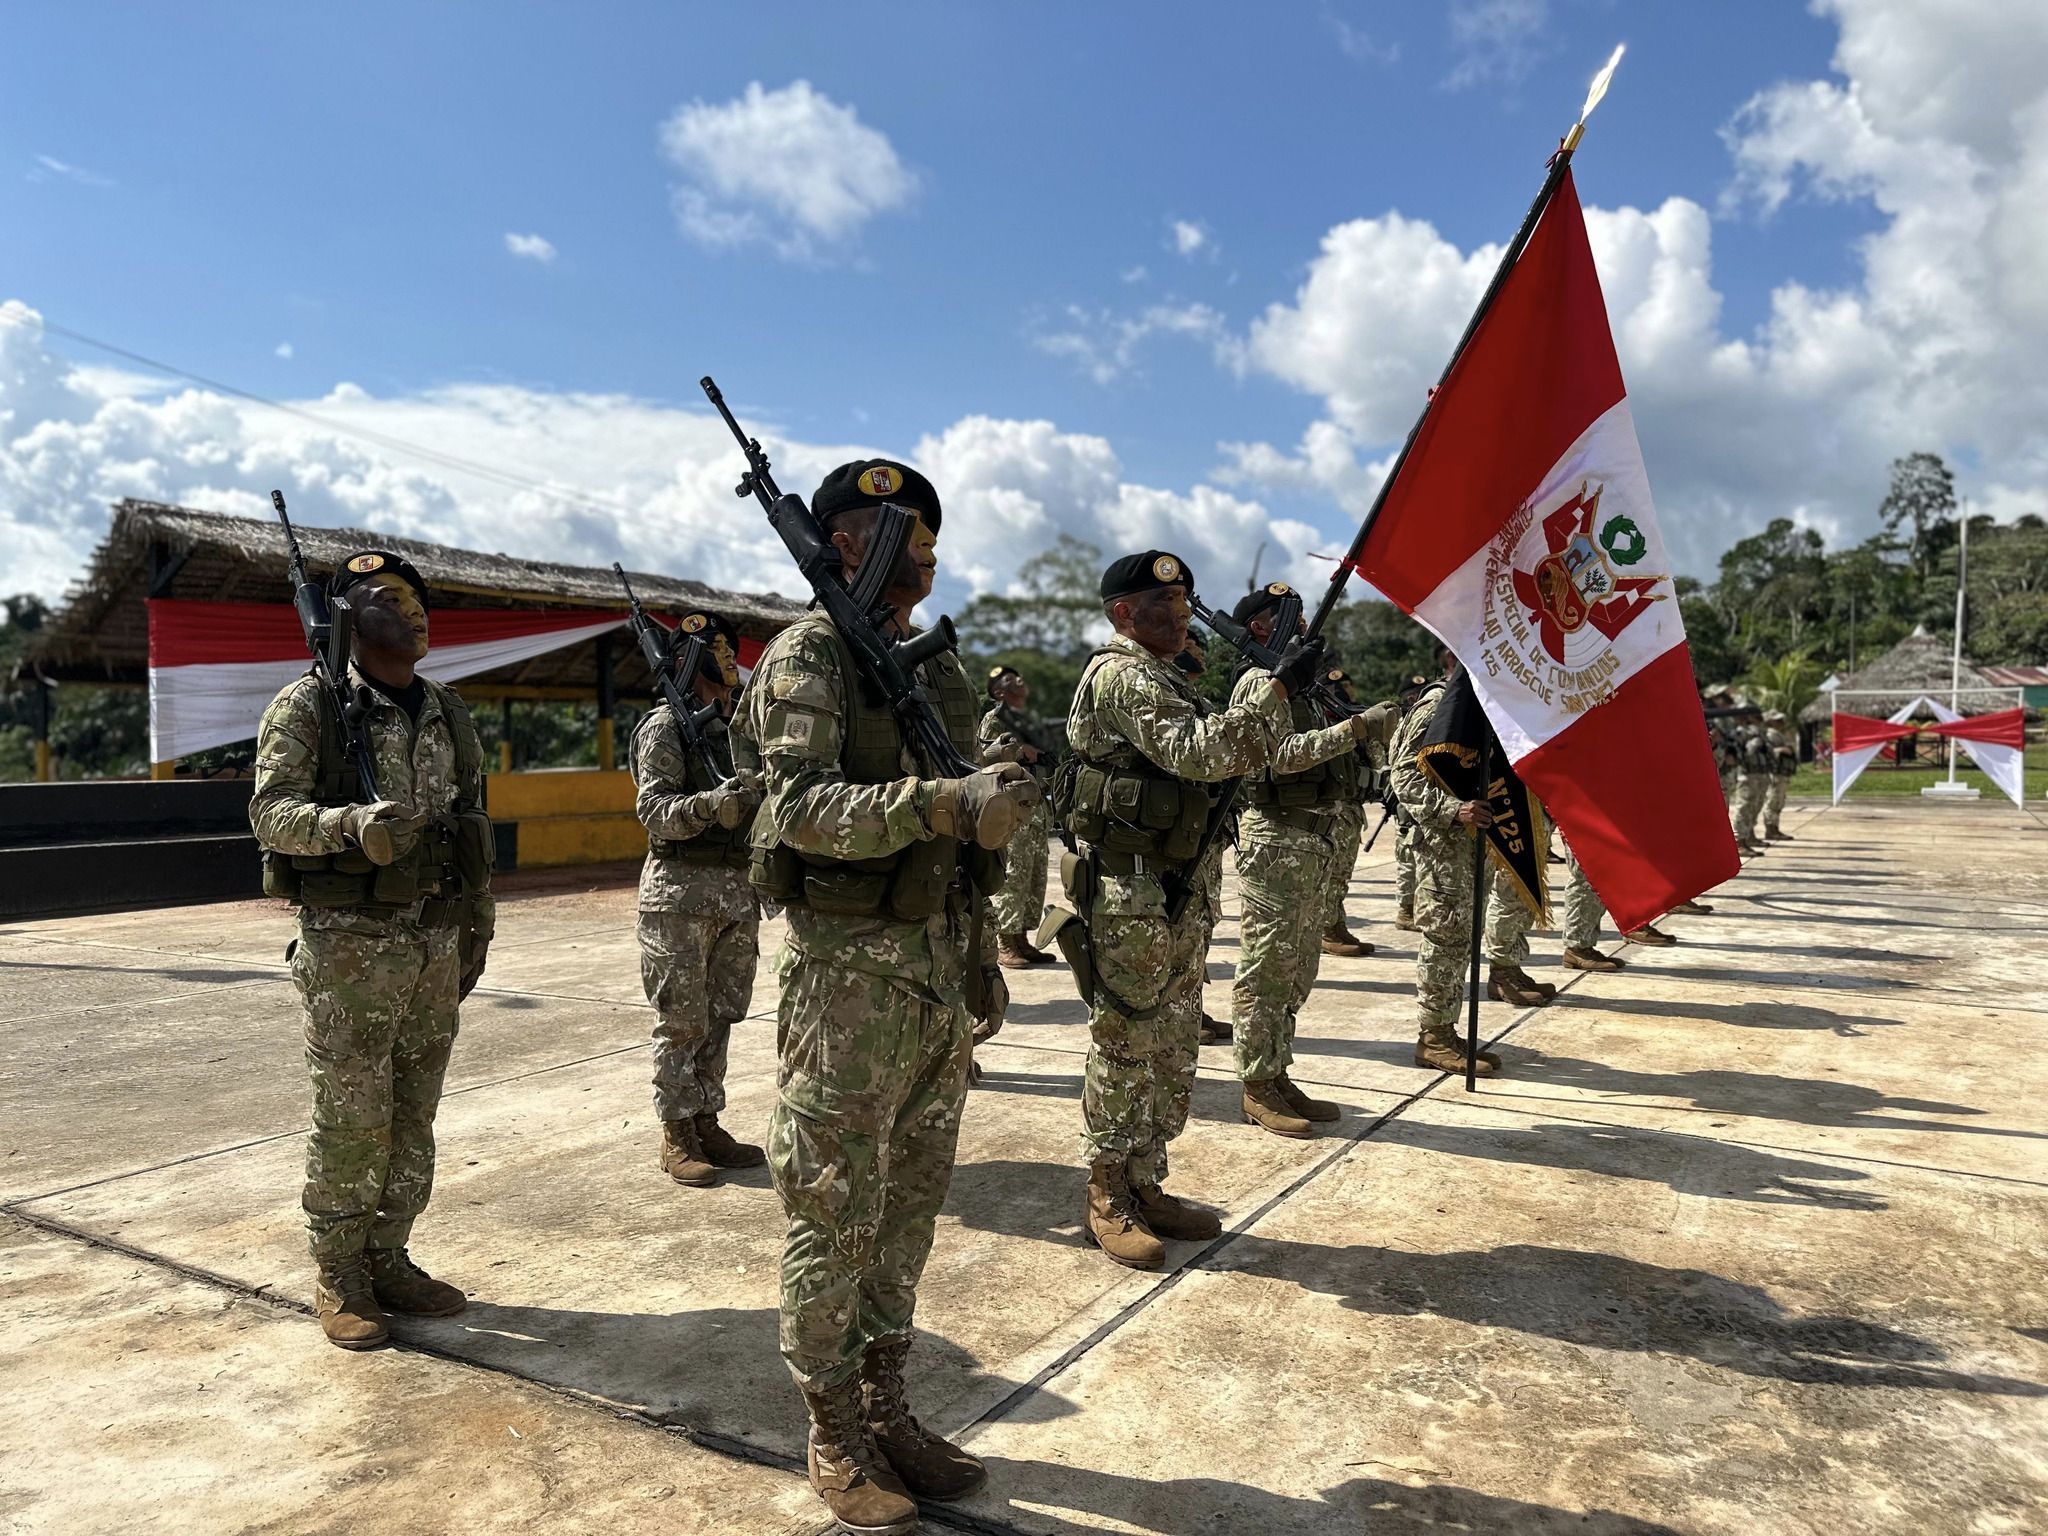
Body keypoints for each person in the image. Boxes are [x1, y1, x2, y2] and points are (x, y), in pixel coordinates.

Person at [744, 458, 1038, 1534]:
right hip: (849, 986)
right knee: (833, 1212)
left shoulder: (928, 666)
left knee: (907, 1210)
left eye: (928, 532)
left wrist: (978, 958)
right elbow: (792, 809)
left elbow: (969, 829)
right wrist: (941, 804)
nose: (925, 549)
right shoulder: (807, 656)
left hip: (932, 980)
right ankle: (830, 1425)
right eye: (904, 530)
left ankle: (886, 1406)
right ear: (844, 542)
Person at [249, 548, 495, 1350]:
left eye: (419, 600)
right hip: (350, 945)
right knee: (352, 1116)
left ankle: (390, 1256)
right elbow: (271, 811)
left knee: (413, 1111)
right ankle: (339, 1272)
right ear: (350, 617)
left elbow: (471, 826)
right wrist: (348, 824)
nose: (414, 612)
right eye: (390, 598)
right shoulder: (308, 706)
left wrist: (476, 927)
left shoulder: (447, 711)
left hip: (433, 938)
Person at [1059, 551, 1303, 1267]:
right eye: (1160, 601)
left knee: (1171, 1045)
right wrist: (1268, 684)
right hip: (1129, 892)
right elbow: (1201, 752)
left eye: (1186, 597)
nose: (1181, 611)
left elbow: (1240, 756)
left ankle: (1146, 1179)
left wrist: (1271, 695)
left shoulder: (1170, 679)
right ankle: (1106, 1191)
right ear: (1122, 614)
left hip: (1176, 887)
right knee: (1125, 1041)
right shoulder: (1122, 675)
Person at [1225, 588, 1381, 1138]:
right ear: (1261, 629)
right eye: (1284, 619)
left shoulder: (1306, 689)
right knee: (1267, 966)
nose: (1299, 627)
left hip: (1311, 839)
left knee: (1298, 967)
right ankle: (1255, 1082)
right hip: (1276, 839)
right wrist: (1355, 729)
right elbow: (1280, 755)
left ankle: (1277, 1069)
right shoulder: (1258, 684)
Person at [629, 610, 764, 1189]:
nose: (729, 656)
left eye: (732, 647)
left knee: (721, 1015)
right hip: (679, 894)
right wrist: (712, 805)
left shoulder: (740, 728)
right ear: (689, 660)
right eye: (716, 648)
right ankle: (676, 1133)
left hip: (736, 891)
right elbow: (653, 811)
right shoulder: (664, 727)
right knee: (680, 1020)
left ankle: (708, 1120)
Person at [1388, 662, 1503, 1076]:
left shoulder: (1480, 705)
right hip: (1443, 846)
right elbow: (1402, 774)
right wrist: (1454, 810)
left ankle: (1445, 1029)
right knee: (1443, 940)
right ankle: (1433, 1037)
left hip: (1471, 845)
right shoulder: (1438, 704)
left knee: (1461, 941)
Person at [979, 665, 1056, 967]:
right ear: (998, 692)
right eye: (1007, 680)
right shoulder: (993, 720)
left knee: (1033, 876)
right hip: (1009, 808)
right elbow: (982, 758)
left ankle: (1022, 938)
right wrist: (1021, 751)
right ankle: (1004, 941)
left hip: (1035, 810)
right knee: (1012, 876)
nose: (1018, 681)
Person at [1318, 667, 1391, 959]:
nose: (1346, 692)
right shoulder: (1327, 725)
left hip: (1352, 808)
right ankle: (1327, 930)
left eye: (1347, 686)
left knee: (1342, 874)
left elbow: (1377, 758)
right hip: (1336, 808)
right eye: (1339, 688)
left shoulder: (1354, 723)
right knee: (1332, 873)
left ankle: (1336, 924)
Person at [1731, 713, 1771, 856]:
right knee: (1744, 807)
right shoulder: (1739, 732)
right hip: (1746, 773)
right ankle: (1738, 842)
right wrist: (1754, 741)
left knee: (1754, 805)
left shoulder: (1757, 732)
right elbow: (1742, 750)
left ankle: (1749, 836)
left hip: (1758, 773)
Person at [1763, 709, 1797, 841]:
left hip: (1782, 773)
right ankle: (1771, 829)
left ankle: (1774, 828)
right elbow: (1768, 751)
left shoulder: (1778, 734)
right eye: (1777, 720)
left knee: (1779, 802)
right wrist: (1782, 750)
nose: (1781, 722)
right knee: (1772, 801)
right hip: (1775, 773)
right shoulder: (1769, 734)